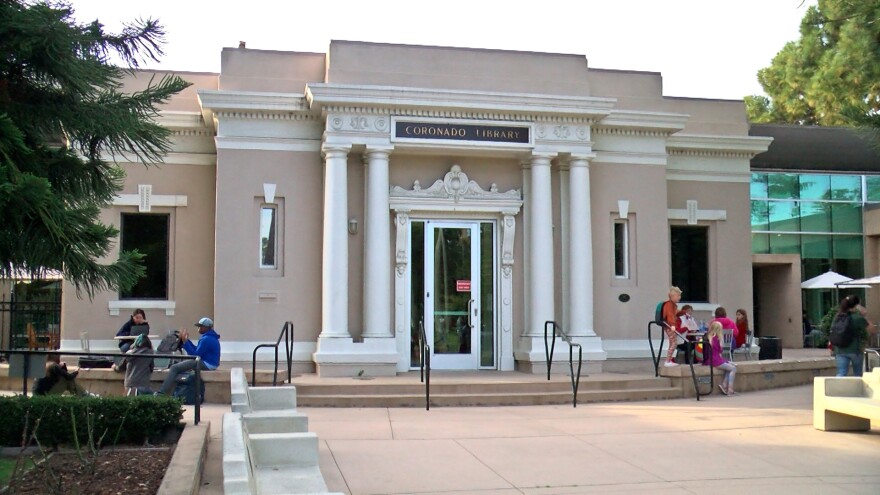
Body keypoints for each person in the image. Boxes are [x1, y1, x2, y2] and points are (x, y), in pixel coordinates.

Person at [156, 317, 221, 395]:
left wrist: (185, 342)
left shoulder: (207, 339)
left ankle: (161, 393)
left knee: (174, 368)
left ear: (206, 328)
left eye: (200, 326)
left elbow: (195, 355)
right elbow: (197, 350)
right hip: (207, 362)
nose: (198, 328)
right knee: (178, 365)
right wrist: (187, 341)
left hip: (207, 364)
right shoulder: (209, 337)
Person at [831, 295, 873, 377]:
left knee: (841, 373)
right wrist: (864, 315)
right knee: (858, 374)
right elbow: (872, 329)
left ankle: (837, 389)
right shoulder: (857, 318)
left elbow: (832, 332)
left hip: (840, 349)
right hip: (855, 350)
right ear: (857, 306)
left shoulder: (837, 317)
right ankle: (857, 389)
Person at [704, 321, 737, 395]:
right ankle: (730, 388)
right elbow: (720, 351)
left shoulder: (708, 337)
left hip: (709, 359)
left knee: (729, 367)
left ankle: (724, 385)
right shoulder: (717, 338)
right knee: (733, 368)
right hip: (715, 360)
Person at [662, 287, 682, 367]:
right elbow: (670, 315)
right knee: (674, 343)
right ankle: (668, 360)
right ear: (673, 296)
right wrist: (673, 325)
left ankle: (669, 360)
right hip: (669, 326)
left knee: (672, 343)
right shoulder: (669, 305)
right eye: (678, 295)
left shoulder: (673, 305)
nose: (679, 297)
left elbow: (674, 314)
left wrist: (683, 312)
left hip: (669, 326)